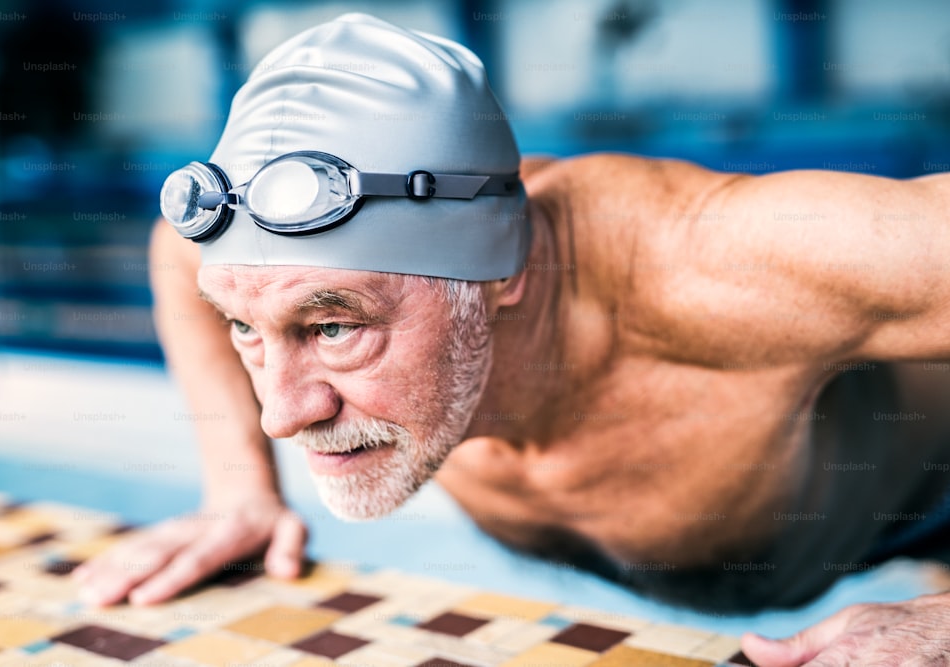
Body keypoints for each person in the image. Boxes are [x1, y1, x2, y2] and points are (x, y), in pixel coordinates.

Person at [74, 13, 950, 666]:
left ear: (502, 274)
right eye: (245, 326)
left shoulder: (721, 263)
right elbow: (173, 253)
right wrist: (237, 492)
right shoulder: (257, 269)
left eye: (333, 326)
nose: (282, 413)